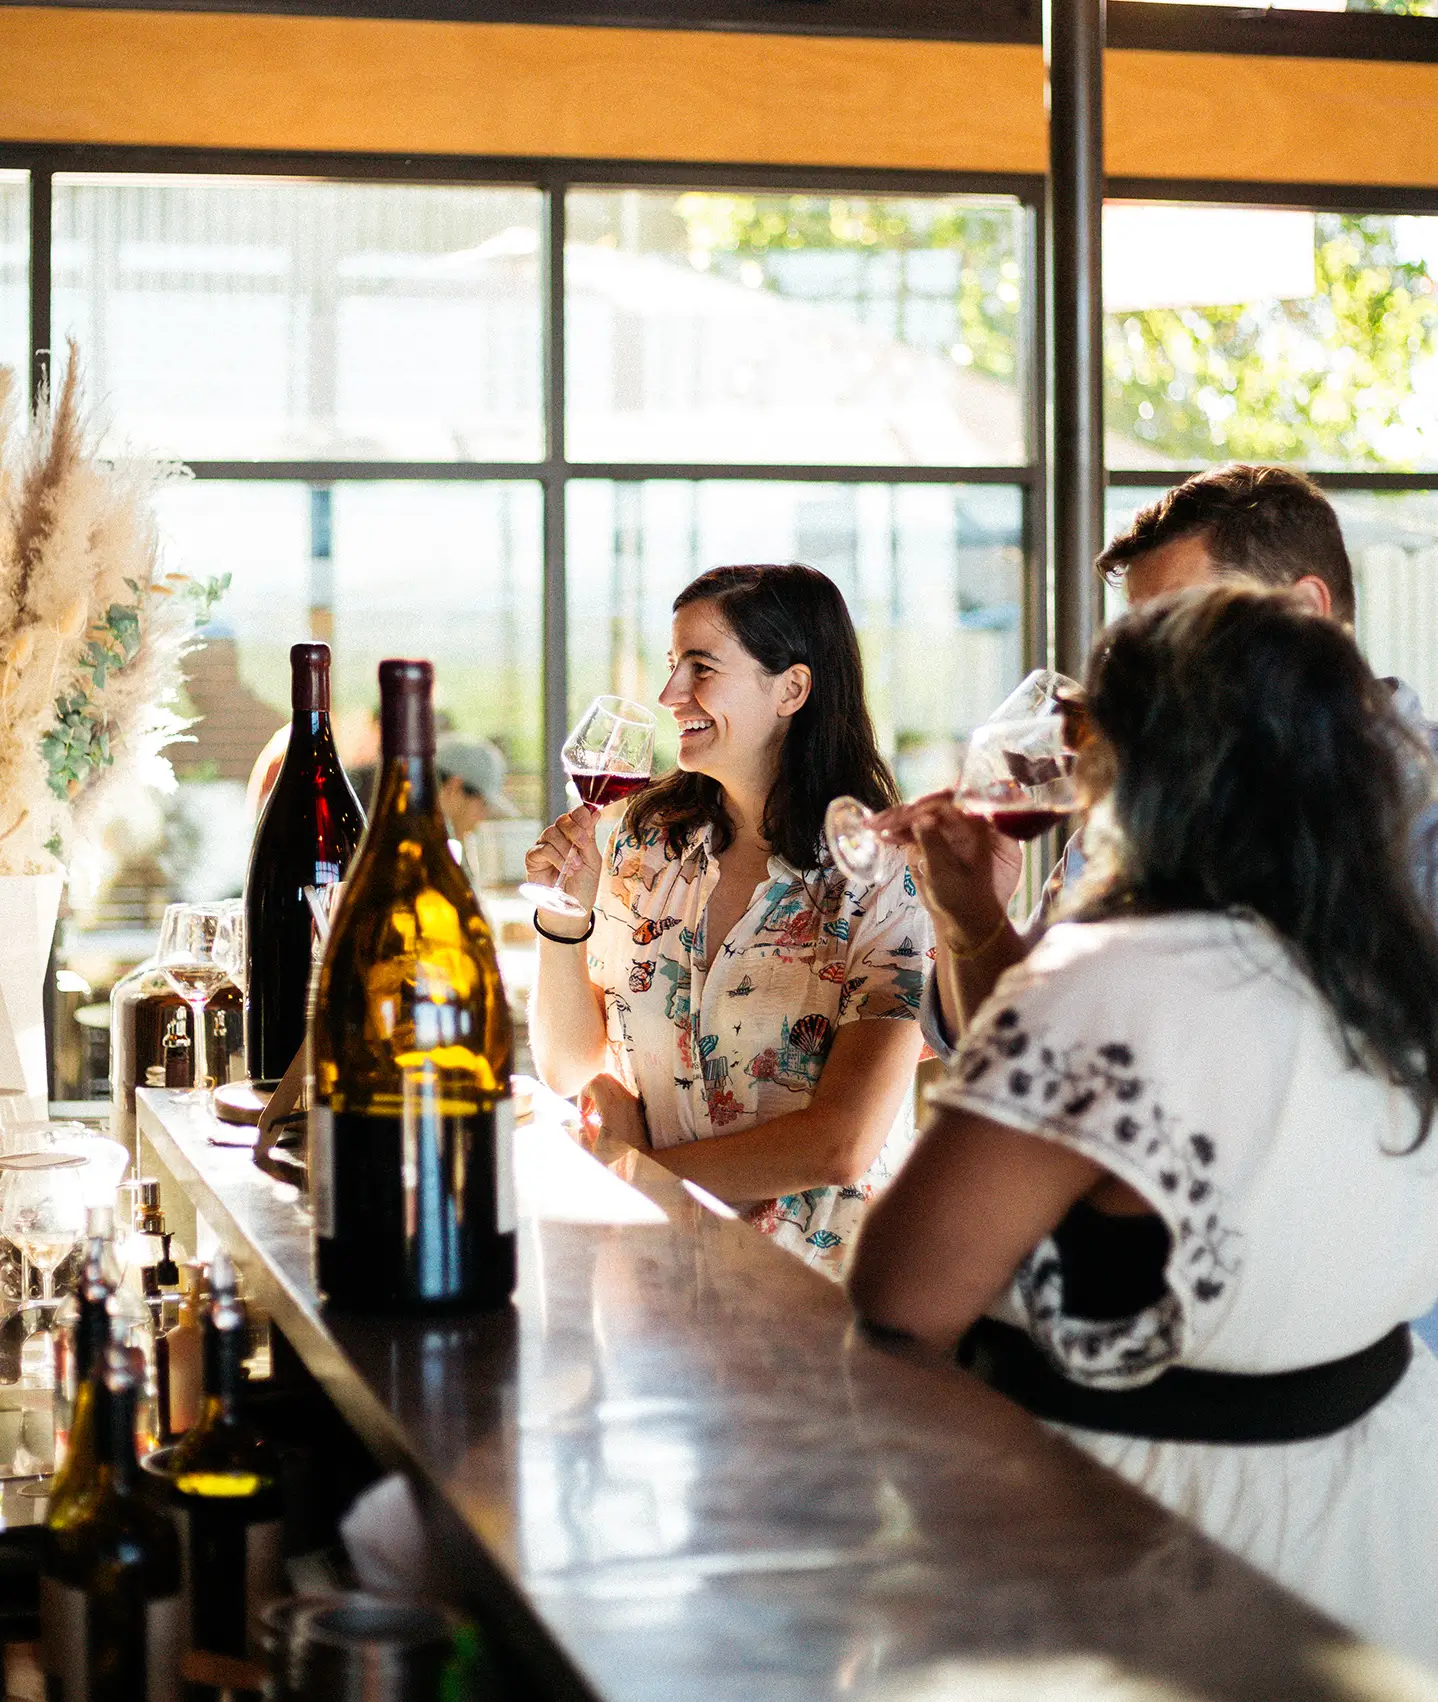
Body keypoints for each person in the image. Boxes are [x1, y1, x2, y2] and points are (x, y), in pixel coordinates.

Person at [847, 584, 1438, 1664]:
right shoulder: (1386, 968)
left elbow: (900, 1292)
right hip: (1375, 1523)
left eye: (1089, 730)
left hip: (1148, 1544)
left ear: (1154, 768)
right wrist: (977, 925)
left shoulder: (1110, 979)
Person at [909, 463, 1438, 1061]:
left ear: (1303, 611)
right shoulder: (1134, 813)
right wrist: (972, 912)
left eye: (1182, 627)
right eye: (1139, 641)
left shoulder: (1427, 814)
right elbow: (1013, 1056)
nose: (1146, 677)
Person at [525, 563, 931, 1279]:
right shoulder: (643, 842)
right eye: (673, 664)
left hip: (813, 1295)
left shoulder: (883, 874)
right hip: (649, 1277)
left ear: (792, 689)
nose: (668, 694)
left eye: (700, 667)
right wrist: (565, 916)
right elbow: (569, 1066)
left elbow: (840, 1144)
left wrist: (636, 1171)